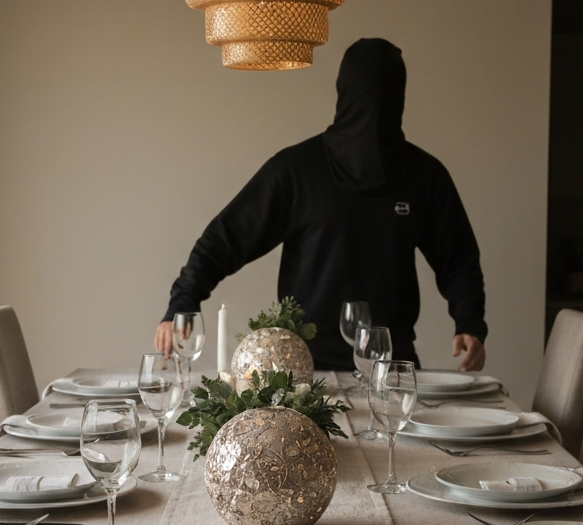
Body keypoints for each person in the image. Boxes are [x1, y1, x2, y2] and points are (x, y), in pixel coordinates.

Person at [154, 38, 487, 371]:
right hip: (303, 367)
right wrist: (182, 303)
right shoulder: (298, 170)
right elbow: (227, 237)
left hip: (392, 363)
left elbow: (458, 258)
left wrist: (469, 321)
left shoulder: (424, 176)